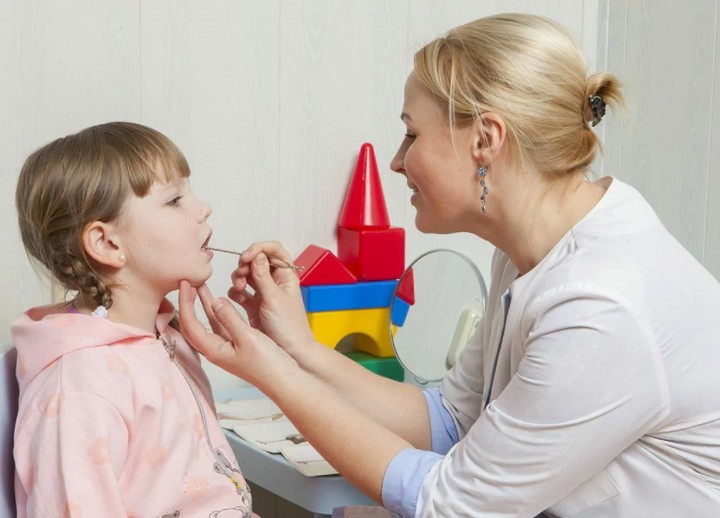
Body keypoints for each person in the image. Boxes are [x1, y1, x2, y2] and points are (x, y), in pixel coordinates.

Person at [179, 13, 720, 518]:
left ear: (486, 139)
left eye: (412, 134)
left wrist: (273, 376)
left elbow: (450, 505)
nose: (397, 161)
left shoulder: (602, 303)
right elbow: (451, 422)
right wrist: (298, 350)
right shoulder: (527, 254)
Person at [13, 122, 256, 517]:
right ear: (107, 243)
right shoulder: (79, 388)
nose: (203, 208)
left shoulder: (165, 337)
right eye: (174, 200)